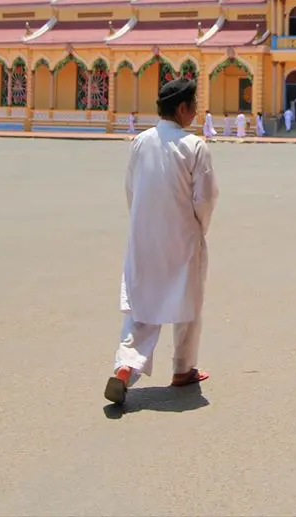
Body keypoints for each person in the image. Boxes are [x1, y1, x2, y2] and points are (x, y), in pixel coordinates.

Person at [105, 78, 220, 406]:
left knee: (141, 306)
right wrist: (199, 227)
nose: (196, 111)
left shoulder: (139, 142)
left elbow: (131, 189)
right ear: (182, 109)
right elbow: (206, 196)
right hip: (183, 237)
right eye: (193, 105)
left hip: (143, 236)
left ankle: (126, 366)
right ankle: (183, 368)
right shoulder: (194, 146)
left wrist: (143, 222)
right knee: (189, 301)